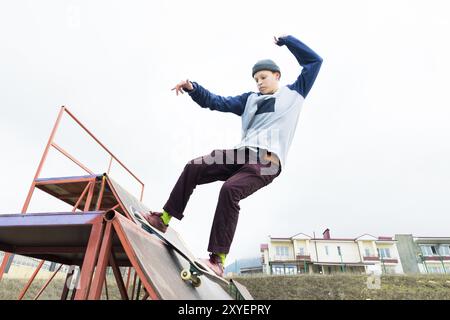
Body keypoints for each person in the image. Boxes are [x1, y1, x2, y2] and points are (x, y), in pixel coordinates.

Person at [144, 34, 323, 277]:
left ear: (277, 76)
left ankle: (218, 260)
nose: (259, 82)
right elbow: (216, 101)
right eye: (256, 79)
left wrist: (288, 41)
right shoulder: (248, 100)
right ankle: (164, 219)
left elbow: (314, 62)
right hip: (241, 154)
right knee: (194, 167)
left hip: (269, 161)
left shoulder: (295, 94)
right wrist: (193, 88)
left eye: (263, 77)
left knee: (230, 190)